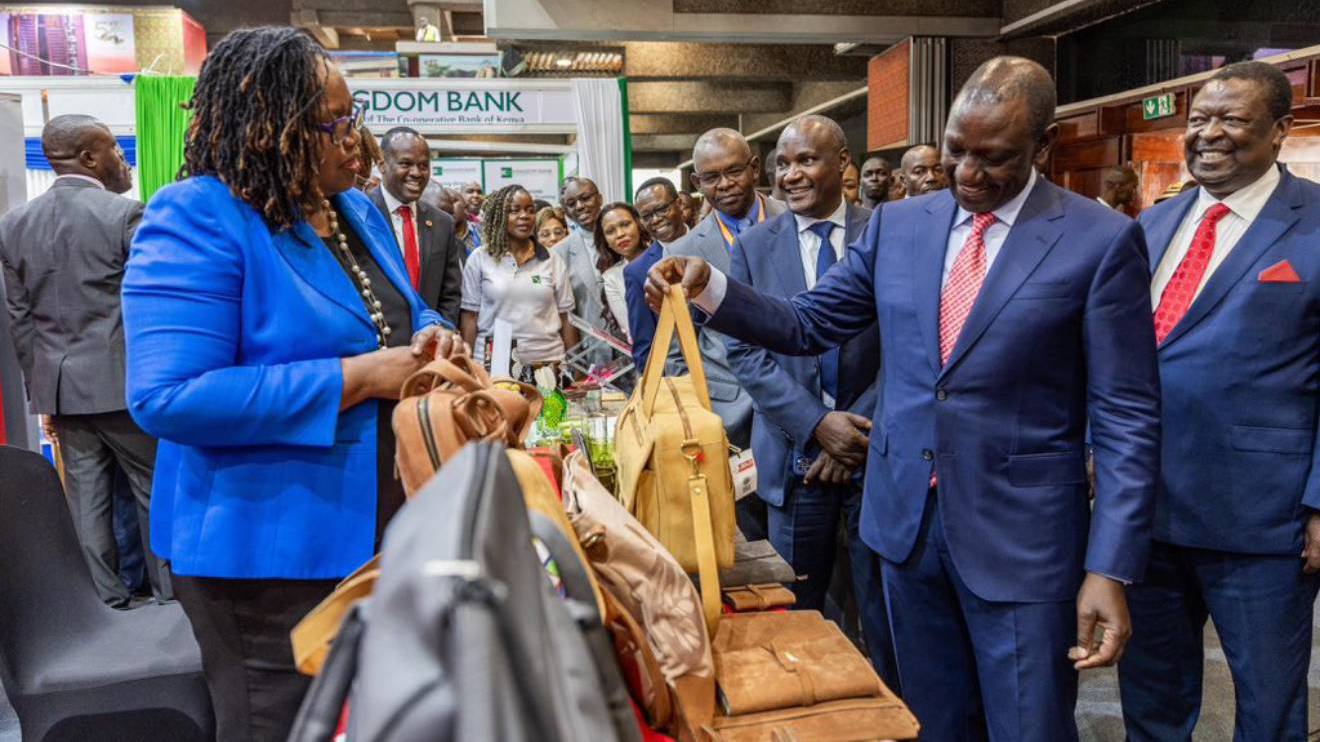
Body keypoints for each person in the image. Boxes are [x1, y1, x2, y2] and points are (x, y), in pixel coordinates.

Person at [647, 57, 1161, 741]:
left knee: (1028, 725)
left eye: (994, 158)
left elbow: (1127, 413)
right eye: (956, 152)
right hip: (904, 528)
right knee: (932, 720)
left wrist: (1110, 566)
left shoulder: (1097, 240)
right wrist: (712, 287)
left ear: (1044, 146)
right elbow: (806, 323)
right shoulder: (900, 226)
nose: (969, 175)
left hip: (1022, 541)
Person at [121, 28, 458, 741]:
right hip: (268, 556)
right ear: (265, 129)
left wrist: (432, 331)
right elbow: (169, 396)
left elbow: (395, 305)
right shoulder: (196, 216)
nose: (352, 141)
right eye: (327, 125)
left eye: (353, 117)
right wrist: (359, 378)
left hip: (379, 530)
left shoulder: (355, 210)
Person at [1118, 61, 1320, 742]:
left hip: (1265, 522)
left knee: (1268, 712)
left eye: (1231, 119)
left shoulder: (1315, 223)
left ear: (1279, 131)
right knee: (1150, 702)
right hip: (1144, 516)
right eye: (1199, 119)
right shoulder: (1153, 225)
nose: (1209, 134)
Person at [719, 116, 895, 686]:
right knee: (799, 614)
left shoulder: (887, 233)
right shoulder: (751, 247)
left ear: (843, 162)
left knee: (886, 618)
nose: (791, 175)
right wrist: (817, 425)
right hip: (796, 462)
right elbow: (746, 352)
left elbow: (907, 348)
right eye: (782, 165)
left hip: (876, 458)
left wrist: (854, 431)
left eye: (806, 161)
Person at [0, 113, 172, 608]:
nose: (122, 159)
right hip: (125, 387)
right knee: (153, 494)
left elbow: (21, 322)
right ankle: (170, 599)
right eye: (116, 149)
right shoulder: (125, 215)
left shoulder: (14, 225)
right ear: (89, 158)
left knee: (87, 504)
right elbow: (149, 307)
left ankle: (104, 605)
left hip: (64, 391)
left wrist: (44, 396)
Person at [655, 127, 786, 450]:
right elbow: (677, 349)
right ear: (698, 185)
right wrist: (703, 408)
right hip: (728, 411)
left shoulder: (795, 220)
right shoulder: (681, 250)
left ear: (754, 168)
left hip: (800, 395)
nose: (725, 184)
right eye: (711, 177)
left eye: (734, 171)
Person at [460, 184, 578, 376]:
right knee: (499, 407)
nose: (524, 216)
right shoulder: (480, 258)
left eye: (530, 210)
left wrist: (574, 368)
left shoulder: (552, 259)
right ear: (499, 216)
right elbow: (469, 318)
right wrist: (466, 366)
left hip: (547, 364)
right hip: (493, 365)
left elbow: (566, 317)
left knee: (548, 408)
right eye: (514, 211)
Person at [367, 127, 463, 325]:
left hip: (429, 346)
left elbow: (450, 295)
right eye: (405, 164)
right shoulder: (360, 215)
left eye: (423, 165)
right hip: (378, 348)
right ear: (382, 164)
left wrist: (440, 333)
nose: (416, 173)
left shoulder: (442, 223)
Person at [554, 176, 607, 352]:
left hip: (641, 347)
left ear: (599, 199)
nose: (579, 206)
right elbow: (564, 314)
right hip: (593, 352)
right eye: (571, 203)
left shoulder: (625, 236)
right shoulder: (559, 253)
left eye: (585, 198)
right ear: (565, 211)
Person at [593, 202, 651, 343]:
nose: (620, 234)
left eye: (625, 224)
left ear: (639, 224)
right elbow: (632, 329)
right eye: (610, 231)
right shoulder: (611, 277)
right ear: (605, 240)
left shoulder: (662, 254)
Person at [427, 184, 481, 259]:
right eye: (442, 205)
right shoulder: (435, 237)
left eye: (452, 201)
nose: (448, 207)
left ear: (465, 207)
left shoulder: (481, 231)